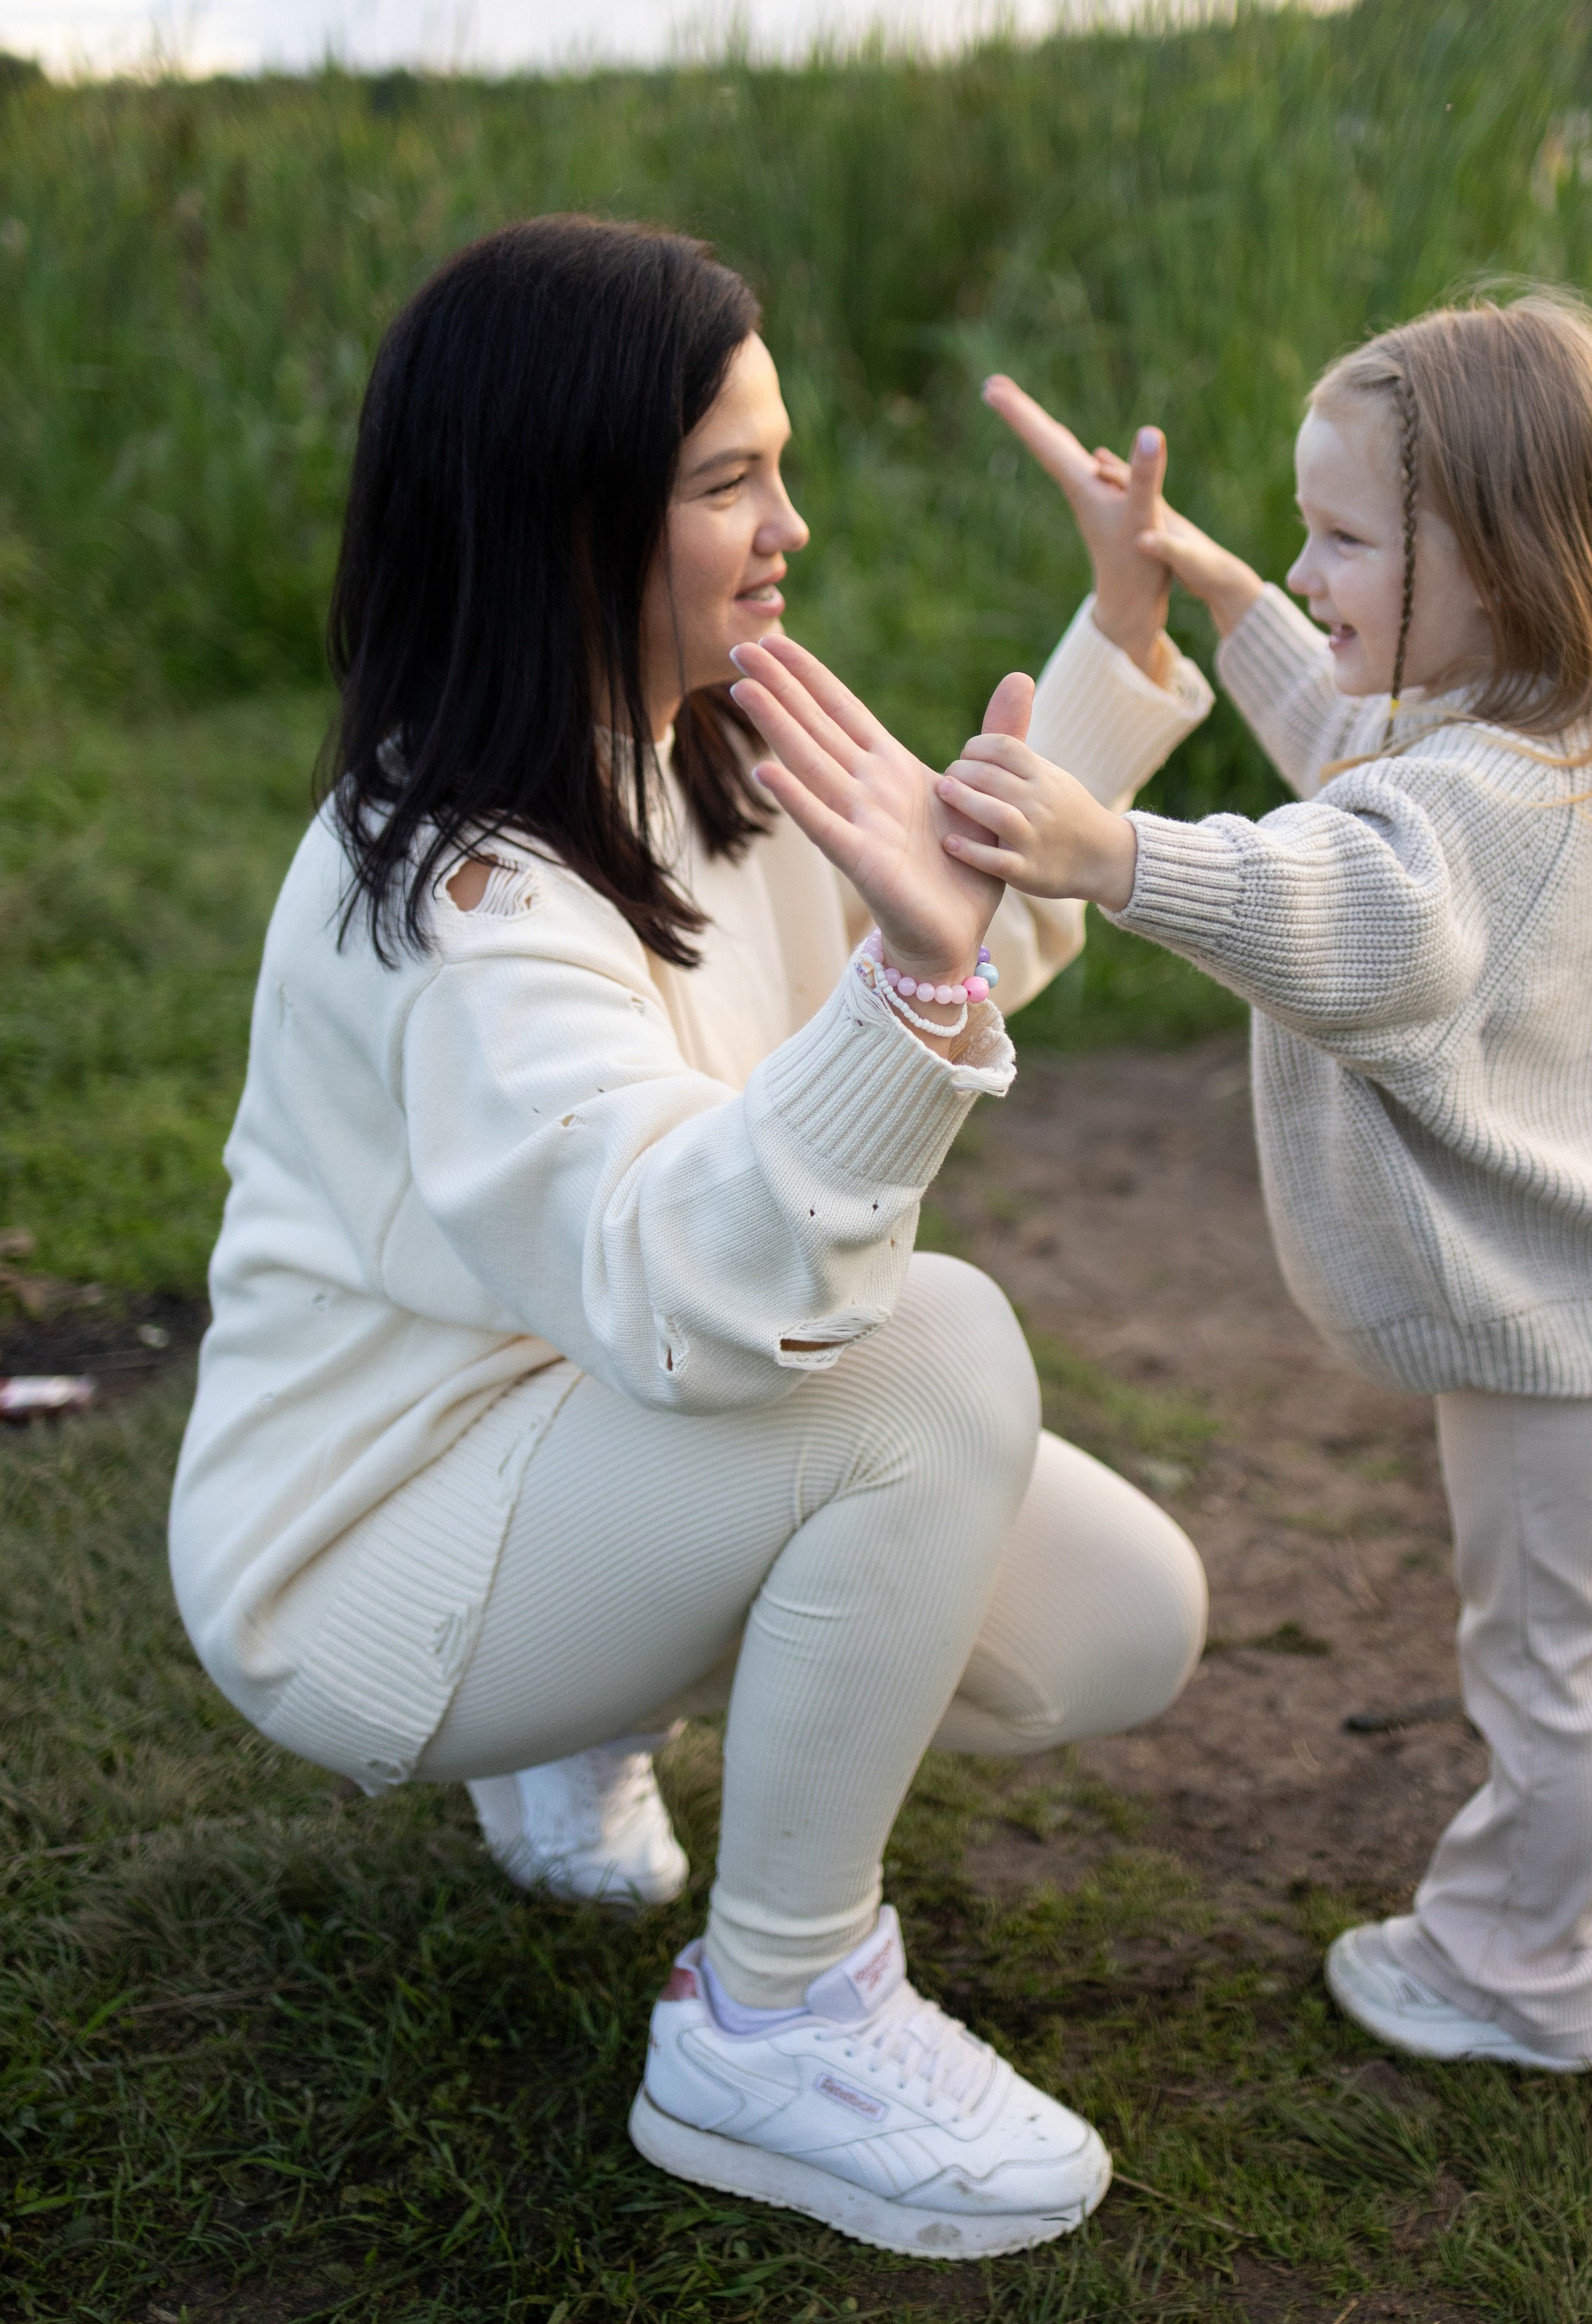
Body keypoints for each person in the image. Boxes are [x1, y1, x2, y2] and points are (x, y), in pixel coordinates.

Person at [168, 218, 1214, 2261]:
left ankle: (590, 1723)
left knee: (1126, 1618)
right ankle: (776, 2019)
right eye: (731, 479)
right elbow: (694, 1289)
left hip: (591, 1408)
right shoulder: (463, 889)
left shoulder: (707, 735)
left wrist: (1113, 646)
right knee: (927, 1359)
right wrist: (913, 1009)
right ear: (565, 510)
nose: (789, 524)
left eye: (780, 465)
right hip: (370, 1548)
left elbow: (954, 901)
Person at [915, 295, 1592, 2076]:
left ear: (1497, 561)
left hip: (1547, 1323)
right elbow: (1363, 761)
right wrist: (1216, 590)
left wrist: (1108, 850)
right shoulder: (1544, 729)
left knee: (1537, 1658)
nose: (1309, 561)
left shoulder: (1465, 818)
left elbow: (1343, 903)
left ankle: (1514, 1964)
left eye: (1343, 536)